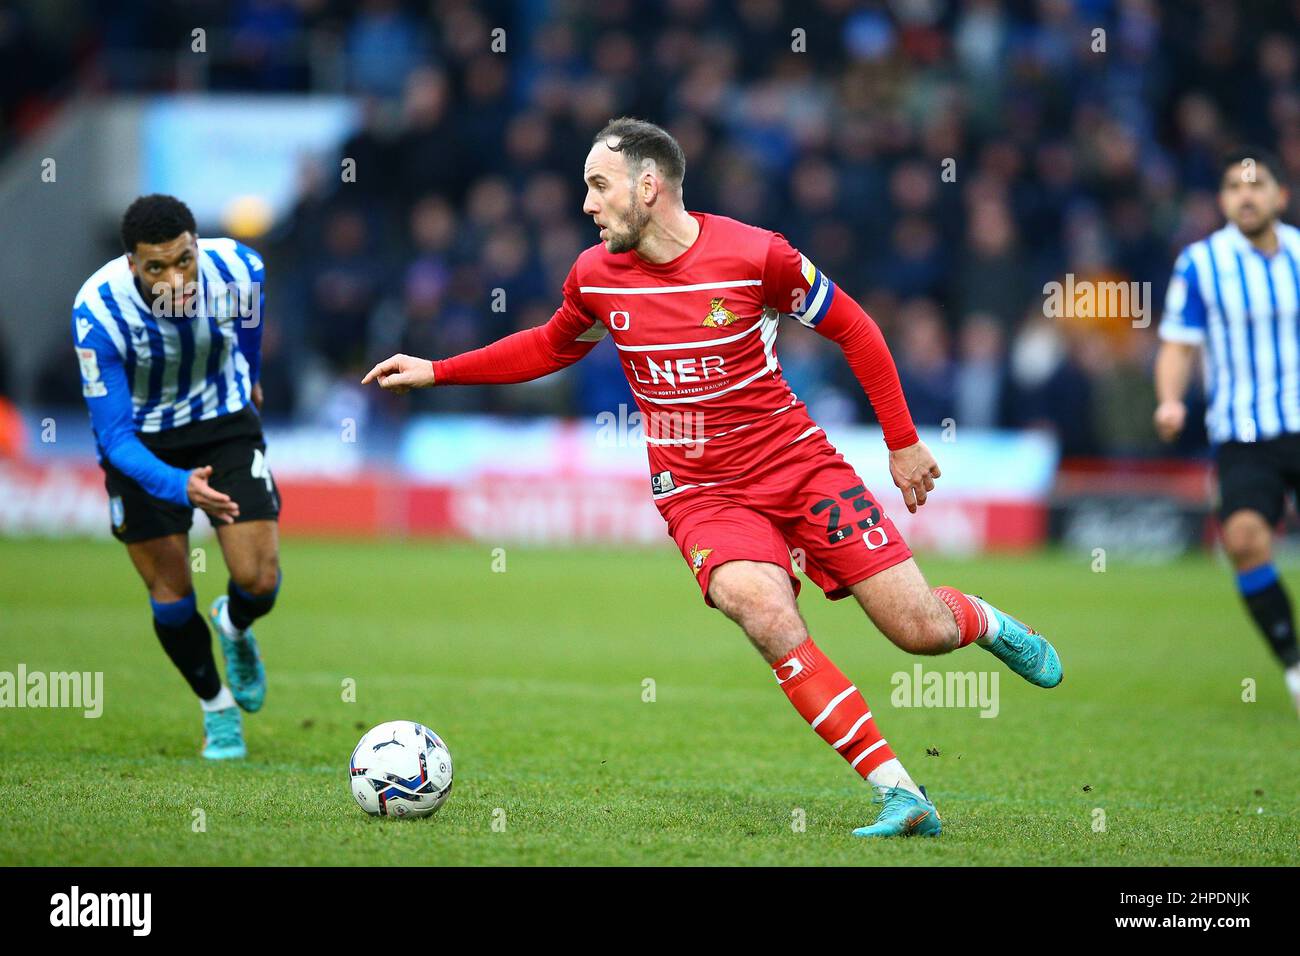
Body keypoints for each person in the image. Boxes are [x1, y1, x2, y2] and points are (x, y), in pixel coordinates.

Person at [364, 118, 1063, 837]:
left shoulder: (759, 256)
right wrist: (439, 371)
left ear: (648, 185)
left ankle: (982, 619)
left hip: (797, 466)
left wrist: (904, 443)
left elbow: (854, 327)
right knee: (759, 610)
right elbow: (549, 346)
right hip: (699, 492)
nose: (587, 205)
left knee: (922, 634)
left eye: (598, 187)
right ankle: (901, 791)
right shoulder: (595, 277)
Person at [72, 194, 282, 759]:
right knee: (170, 594)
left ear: (196, 246)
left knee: (259, 580)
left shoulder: (240, 269)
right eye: (156, 267)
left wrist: (253, 378)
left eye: (183, 260)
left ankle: (235, 625)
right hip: (142, 445)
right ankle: (216, 707)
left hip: (222, 422)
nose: (175, 278)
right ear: (131, 264)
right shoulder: (97, 312)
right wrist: (177, 484)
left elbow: (249, 333)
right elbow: (114, 439)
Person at [1155, 148, 1300, 716]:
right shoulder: (1201, 263)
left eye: (1256, 185)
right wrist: (1170, 400)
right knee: (1242, 540)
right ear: (1221, 201)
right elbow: (1177, 341)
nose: (1245, 195)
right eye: (1234, 188)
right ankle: (1293, 662)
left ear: (1278, 196)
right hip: (1245, 434)